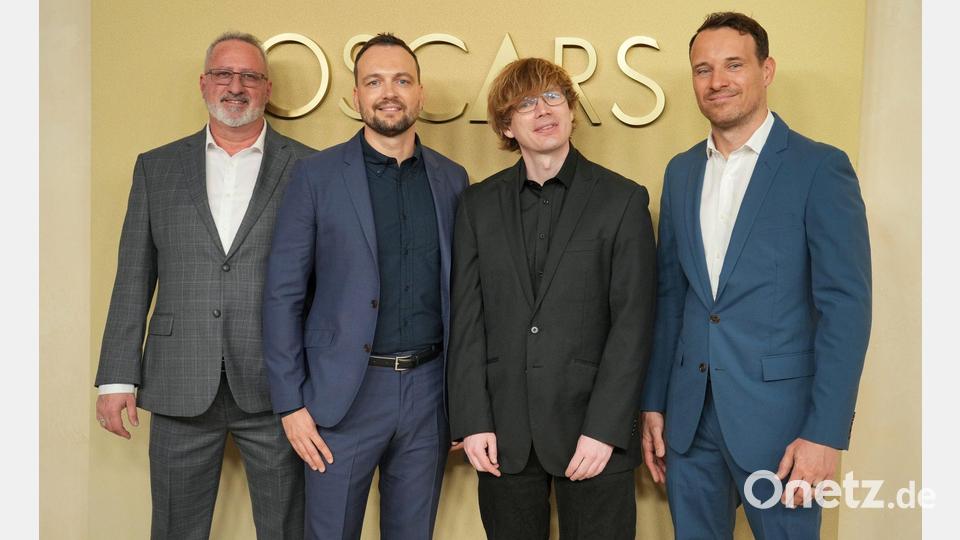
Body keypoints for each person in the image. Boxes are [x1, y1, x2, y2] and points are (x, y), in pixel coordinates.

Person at [639, 12, 872, 539]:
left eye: (733, 65)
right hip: (689, 421)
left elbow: (847, 308)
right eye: (702, 69)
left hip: (784, 427)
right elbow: (671, 297)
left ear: (766, 70)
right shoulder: (680, 172)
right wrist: (654, 401)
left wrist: (825, 434)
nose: (716, 81)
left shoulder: (819, 168)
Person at [94, 32, 316, 539]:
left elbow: (326, 282)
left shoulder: (310, 167)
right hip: (178, 380)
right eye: (223, 74)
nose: (235, 86)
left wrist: (320, 379)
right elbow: (132, 276)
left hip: (278, 386)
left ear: (267, 87)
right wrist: (116, 378)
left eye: (249, 76)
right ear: (203, 83)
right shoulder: (156, 167)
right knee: (175, 528)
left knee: (287, 528)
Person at [262, 33, 468, 540]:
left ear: (420, 93)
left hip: (429, 394)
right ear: (356, 96)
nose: (388, 92)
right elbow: (282, 294)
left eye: (401, 80)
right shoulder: (316, 177)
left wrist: (465, 401)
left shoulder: (452, 179)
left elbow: (465, 296)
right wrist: (290, 405)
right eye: (373, 81)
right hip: (341, 397)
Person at [447, 57, 656, 540]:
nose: (543, 110)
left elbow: (633, 323)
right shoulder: (476, 206)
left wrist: (605, 428)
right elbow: (467, 320)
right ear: (505, 125)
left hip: (593, 433)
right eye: (525, 103)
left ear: (570, 109)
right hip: (503, 435)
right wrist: (473, 421)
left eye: (552, 97)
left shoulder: (622, 200)